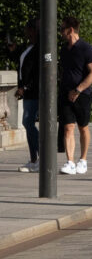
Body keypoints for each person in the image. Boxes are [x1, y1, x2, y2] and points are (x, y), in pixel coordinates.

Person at [58, 19, 92, 176]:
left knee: (83, 127)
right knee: (68, 127)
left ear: (70, 30)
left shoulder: (86, 48)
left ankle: (83, 160)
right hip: (65, 93)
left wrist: (78, 89)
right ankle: (70, 162)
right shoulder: (63, 50)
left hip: (82, 95)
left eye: (62, 29)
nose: (61, 32)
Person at [15, 23, 40, 172]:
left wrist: (25, 87)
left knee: (27, 121)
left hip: (34, 92)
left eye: (28, 31)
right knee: (28, 123)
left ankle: (40, 156)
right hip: (28, 92)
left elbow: (37, 73)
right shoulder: (29, 48)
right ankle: (34, 159)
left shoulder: (38, 49)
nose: (26, 34)